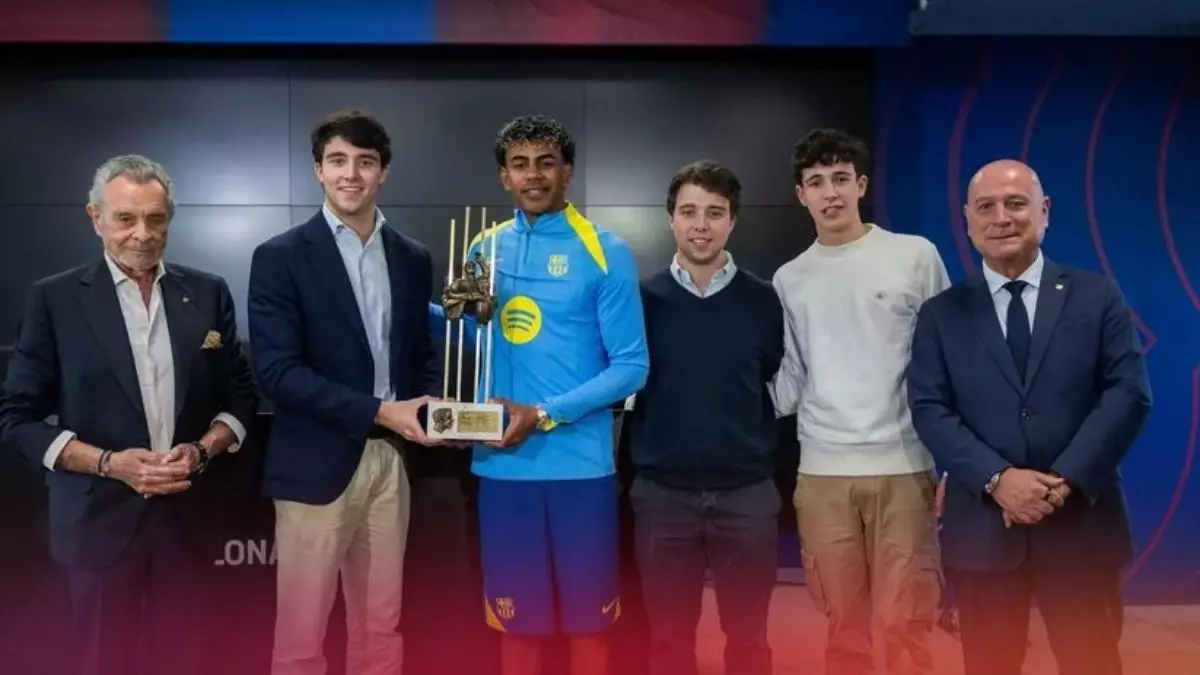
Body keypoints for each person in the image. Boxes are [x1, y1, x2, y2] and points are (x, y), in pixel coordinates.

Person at [0, 154, 258, 675]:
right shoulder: (53, 299)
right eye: (125, 218)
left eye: (155, 219)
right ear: (95, 217)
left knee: (188, 662)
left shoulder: (207, 292)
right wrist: (109, 463)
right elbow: (17, 418)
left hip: (188, 523)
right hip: (98, 527)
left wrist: (202, 449)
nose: (142, 234)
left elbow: (241, 396)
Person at [906, 159, 1151, 675]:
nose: (1001, 218)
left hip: (1081, 526)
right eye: (986, 207)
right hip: (984, 532)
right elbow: (930, 408)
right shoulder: (940, 314)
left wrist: (1062, 482)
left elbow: (1128, 394)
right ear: (968, 220)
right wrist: (998, 480)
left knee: (1093, 663)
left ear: (1044, 212)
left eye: (1016, 203)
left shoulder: (1097, 296)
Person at [247, 108, 441, 675]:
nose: (350, 174)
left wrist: (431, 406)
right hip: (316, 460)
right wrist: (381, 411)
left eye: (365, 162)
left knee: (381, 628)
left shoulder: (412, 256)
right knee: (302, 638)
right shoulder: (280, 257)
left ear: (384, 172)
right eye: (337, 161)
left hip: (392, 461)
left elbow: (421, 352)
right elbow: (277, 372)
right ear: (318, 170)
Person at [466, 114, 649, 675]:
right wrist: (444, 313)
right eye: (520, 165)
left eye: (546, 163)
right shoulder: (483, 247)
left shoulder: (605, 250)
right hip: (502, 469)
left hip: (580, 472)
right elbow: (477, 344)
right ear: (504, 177)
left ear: (567, 172)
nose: (533, 175)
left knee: (589, 627)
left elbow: (632, 367)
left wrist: (544, 413)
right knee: (516, 627)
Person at [770, 128, 950, 675]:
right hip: (823, 472)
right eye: (816, 182)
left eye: (841, 179)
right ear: (801, 194)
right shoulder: (789, 279)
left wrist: (954, 463)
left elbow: (951, 360)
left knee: (906, 626)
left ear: (861, 185)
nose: (831, 193)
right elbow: (790, 378)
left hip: (906, 466)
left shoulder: (914, 256)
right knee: (844, 627)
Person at [627, 160, 784, 675]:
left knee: (750, 641)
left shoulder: (765, 300)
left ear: (732, 221)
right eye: (689, 211)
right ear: (670, 218)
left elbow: (778, 383)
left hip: (747, 495)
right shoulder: (640, 301)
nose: (701, 225)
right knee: (668, 642)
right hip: (663, 496)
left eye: (714, 213)